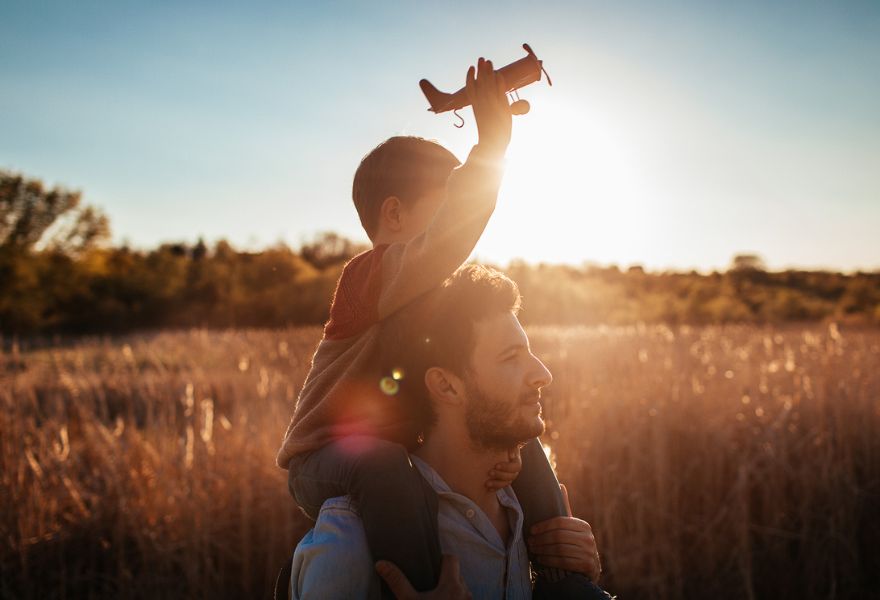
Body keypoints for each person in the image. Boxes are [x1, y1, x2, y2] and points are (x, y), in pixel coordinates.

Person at [275, 57, 596, 597]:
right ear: (394, 216)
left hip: (389, 448)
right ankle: (425, 587)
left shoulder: (432, 298)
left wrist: (505, 452)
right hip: (327, 456)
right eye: (446, 204)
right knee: (382, 466)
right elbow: (445, 243)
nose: (455, 223)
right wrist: (490, 150)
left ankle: (565, 579)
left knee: (525, 436)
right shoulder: (369, 276)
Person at [289, 265, 611, 599]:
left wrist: (584, 582)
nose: (543, 374)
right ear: (446, 386)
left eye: (529, 353)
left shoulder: (533, 518)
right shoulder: (352, 539)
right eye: (510, 358)